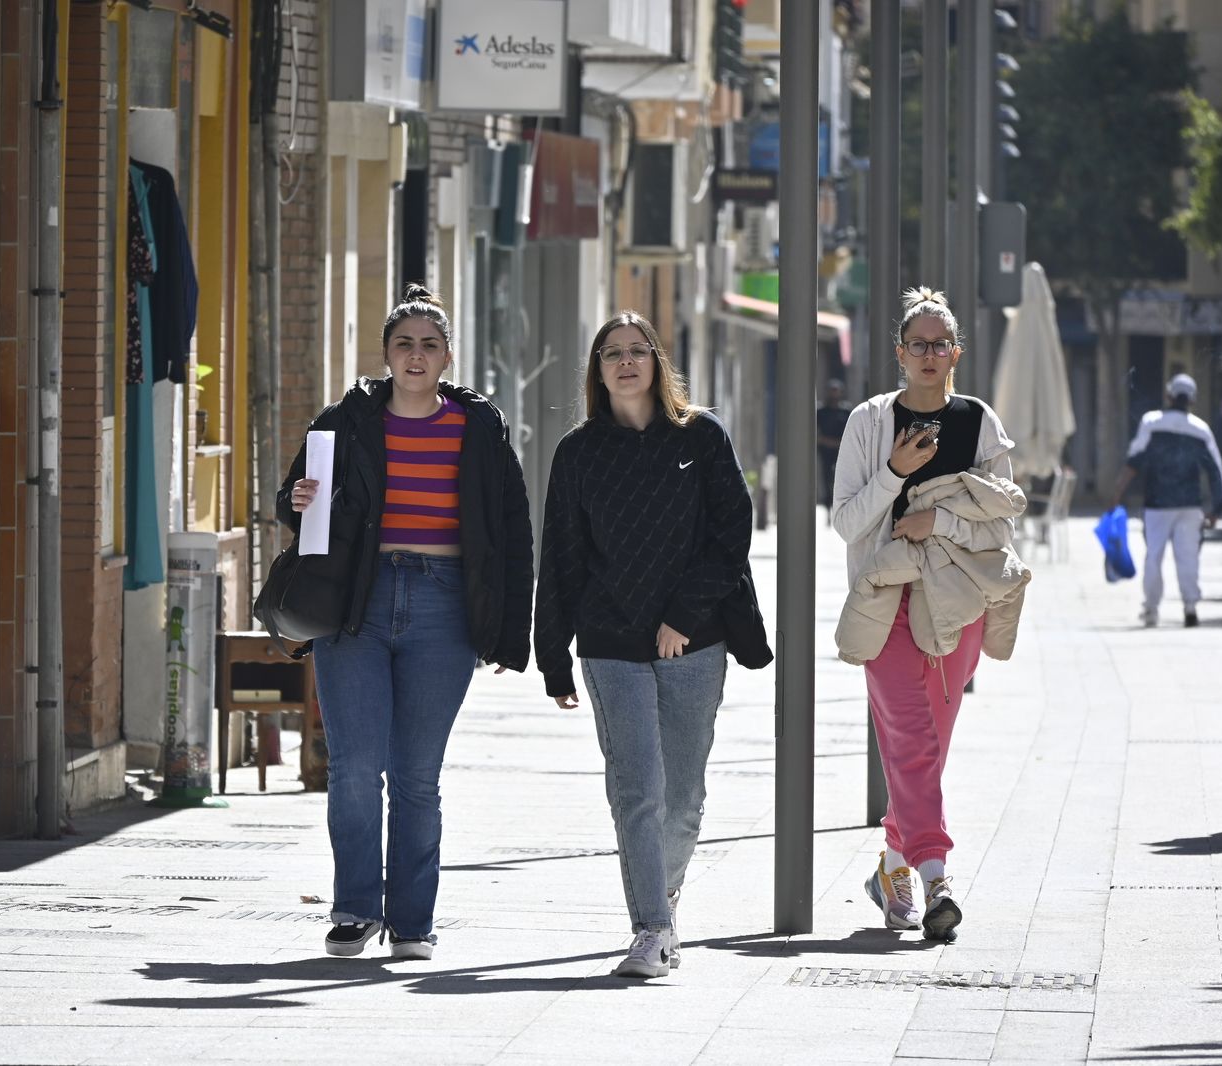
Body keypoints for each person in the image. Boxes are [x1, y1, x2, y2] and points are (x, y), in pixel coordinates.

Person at [276, 284, 534, 960]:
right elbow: (299, 498)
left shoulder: (478, 427)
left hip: (444, 606)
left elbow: (511, 528)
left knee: (418, 775)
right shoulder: (345, 420)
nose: (416, 355)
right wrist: (295, 498)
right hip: (355, 606)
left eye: (428, 345)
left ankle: (413, 921)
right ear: (387, 354)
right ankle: (357, 908)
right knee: (356, 768)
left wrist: (513, 630)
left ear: (447, 357)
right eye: (403, 344)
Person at [534, 310, 762, 979]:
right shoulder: (577, 453)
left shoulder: (702, 437)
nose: (625, 362)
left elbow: (731, 537)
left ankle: (660, 889)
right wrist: (553, 660)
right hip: (610, 643)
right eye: (612, 353)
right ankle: (652, 930)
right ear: (598, 370)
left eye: (638, 351)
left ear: (658, 363)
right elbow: (563, 559)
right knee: (637, 789)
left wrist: (684, 615)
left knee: (683, 795)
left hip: (694, 643)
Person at [830, 287, 1024, 943]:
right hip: (886, 602)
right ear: (899, 354)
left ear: (957, 353)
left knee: (926, 751)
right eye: (919, 344)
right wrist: (893, 471)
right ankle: (936, 876)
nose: (931, 355)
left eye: (942, 344)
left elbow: (1000, 517)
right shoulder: (869, 422)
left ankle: (892, 865)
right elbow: (846, 520)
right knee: (911, 744)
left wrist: (936, 517)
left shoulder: (978, 423)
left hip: (957, 604)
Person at [1106, 373, 1222, 627]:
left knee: (1154, 556)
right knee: (1188, 557)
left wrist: (1117, 493)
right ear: (1192, 400)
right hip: (1190, 506)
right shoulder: (1200, 429)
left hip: (1157, 506)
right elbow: (1216, 470)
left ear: (1169, 395)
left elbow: (1133, 461)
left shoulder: (1151, 423)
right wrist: (1218, 506)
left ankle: (1150, 609)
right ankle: (1190, 608)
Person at [818, 379, 854, 522]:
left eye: (836, 390)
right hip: (826, 451)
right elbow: (816, 433)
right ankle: (828, 510)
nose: (834, 393)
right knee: (826, 479)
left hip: (841, 451)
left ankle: (837, 510)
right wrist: (825, 441)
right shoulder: (821, 411)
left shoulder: (845, 411)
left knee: (840, 481)